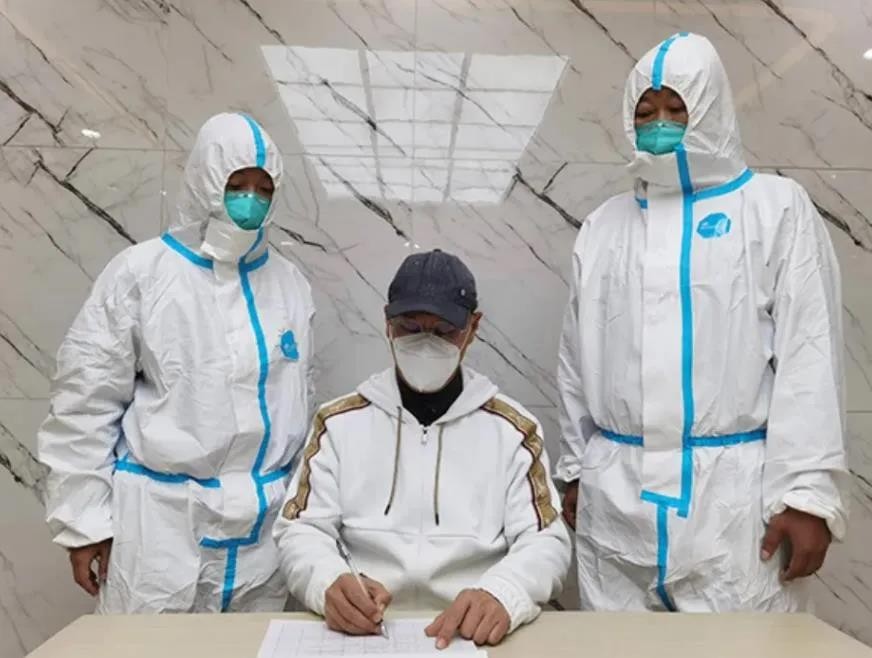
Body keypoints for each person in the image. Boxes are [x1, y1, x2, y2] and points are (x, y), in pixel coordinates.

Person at [556, 33, 848, 612]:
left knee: (742, 647)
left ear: (712, 109)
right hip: (617, 497)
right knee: (616, 651)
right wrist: (574, 468)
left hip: (733, 506)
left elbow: (810, 355)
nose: (660, 124)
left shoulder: (774, 209)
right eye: (645, 112)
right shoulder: (605, 226)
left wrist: (807, 496)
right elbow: (575, 359)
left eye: (677, 109)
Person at [38, 113, 316, 614]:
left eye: (263, 189)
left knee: (249, 648)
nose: (250, 200)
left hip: (262, 536)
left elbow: (298, 402)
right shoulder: (142, 274)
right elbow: (85, 400)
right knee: (148, 648)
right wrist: (84, 522)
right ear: (206, 181)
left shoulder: (289, 283)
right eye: (237, 185)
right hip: (161, 530)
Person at [273, 249, 570, 647]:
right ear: (387, 323)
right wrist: (327, 580)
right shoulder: (338, 423)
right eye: (409, 328)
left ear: (473, 327)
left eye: (444, 331)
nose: (426, 344)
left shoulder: (512, 430)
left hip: (470, 635)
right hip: (362, 633)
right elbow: (300, 529)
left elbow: (546, 539)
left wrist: (504, 592)